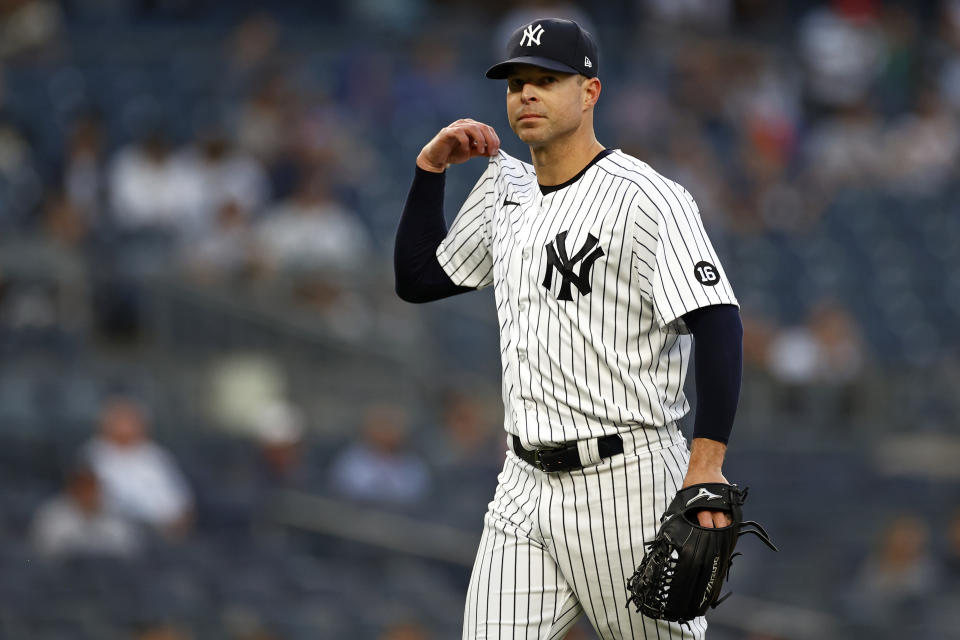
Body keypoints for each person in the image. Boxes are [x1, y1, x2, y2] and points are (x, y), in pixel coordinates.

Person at [395, 18, 746, 639]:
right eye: (516, 83)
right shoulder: (505, 186)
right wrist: (429, 171)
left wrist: (706, 464)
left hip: (627, 478)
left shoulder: (646, 196)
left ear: (590, 92)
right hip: (521, 485)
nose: (526, 94)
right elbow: (421, 278)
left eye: (547, 80)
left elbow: (717, 321)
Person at [83, 396, 195, 538]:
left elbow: (182, 502)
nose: (127, 426)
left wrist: (177, 525)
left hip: (163, 533)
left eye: (132, 421)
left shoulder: (156, 456)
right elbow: (89, 502)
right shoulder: (93, 455)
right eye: (121, 420)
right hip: (113, 533)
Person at [29, 461, 141, 558]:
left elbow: (129, 549)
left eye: (92, 489)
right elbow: (45, 552)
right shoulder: (51, 516)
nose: (88, 495)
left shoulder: (115, 515)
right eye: (83, 489)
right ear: (71, 490)